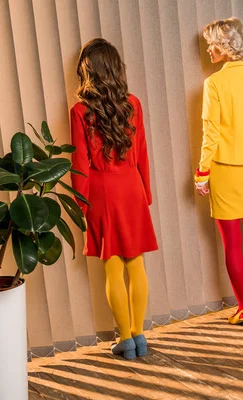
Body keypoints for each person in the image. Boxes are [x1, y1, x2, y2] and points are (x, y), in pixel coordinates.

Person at [70, 38, 158, 359]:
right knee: (137, 264)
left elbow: (79, 163)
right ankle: (138, 336)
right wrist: (145, 192)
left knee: (112, 268)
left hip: (102, 192)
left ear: (87, 70)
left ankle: (125, 340)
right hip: (132, 187)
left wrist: (79, 203)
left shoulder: (80, 111)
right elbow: (142, 153)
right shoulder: (133, 103)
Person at [195, 17, 243, 327]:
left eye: (211, 45)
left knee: (232, 245)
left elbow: (210, 133)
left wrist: (202, 172)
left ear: (224, 47)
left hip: (224, 170)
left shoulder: (214, 84)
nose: (209, 50)